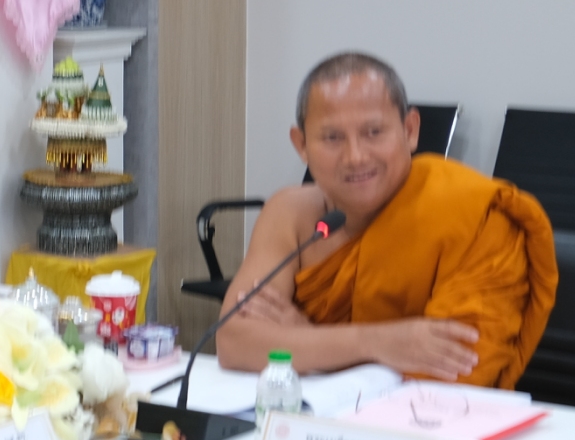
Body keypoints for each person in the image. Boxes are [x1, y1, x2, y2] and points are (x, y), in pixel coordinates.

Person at [215, 52, 557, 389]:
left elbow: (456, 375)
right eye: (332, 138)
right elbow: (233, 342)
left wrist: (308, 341)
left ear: (410, 130)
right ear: (301, 145)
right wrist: (376, 342)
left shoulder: (476, 217)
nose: (355, 157)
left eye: (374, 132)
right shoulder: (290, 213)